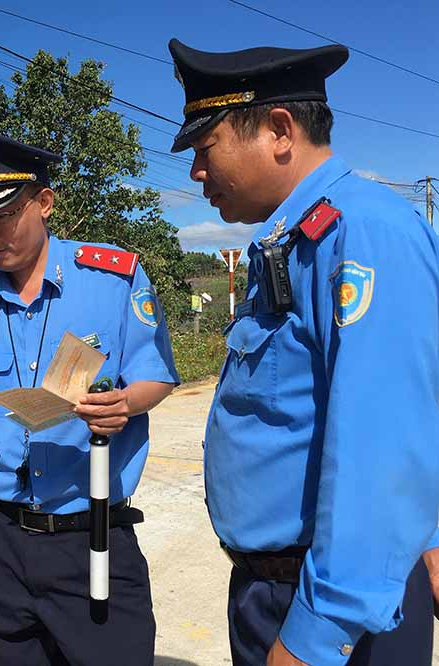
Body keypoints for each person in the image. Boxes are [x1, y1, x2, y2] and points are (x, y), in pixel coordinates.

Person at [167, 38, 439, 665]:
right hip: (276, 589)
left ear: (280, 130)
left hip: (335, 611)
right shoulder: (289, 243)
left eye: (205, 149)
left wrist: (316, 637)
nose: (196, 173)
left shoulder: (361, 232)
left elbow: (383, 449)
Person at [0, 130, 180, 665]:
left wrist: (125, 403)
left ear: (44, 202)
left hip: (91, 529)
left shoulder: (113, 280)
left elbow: (155, 375)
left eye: (0, 215)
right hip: (0, 542)